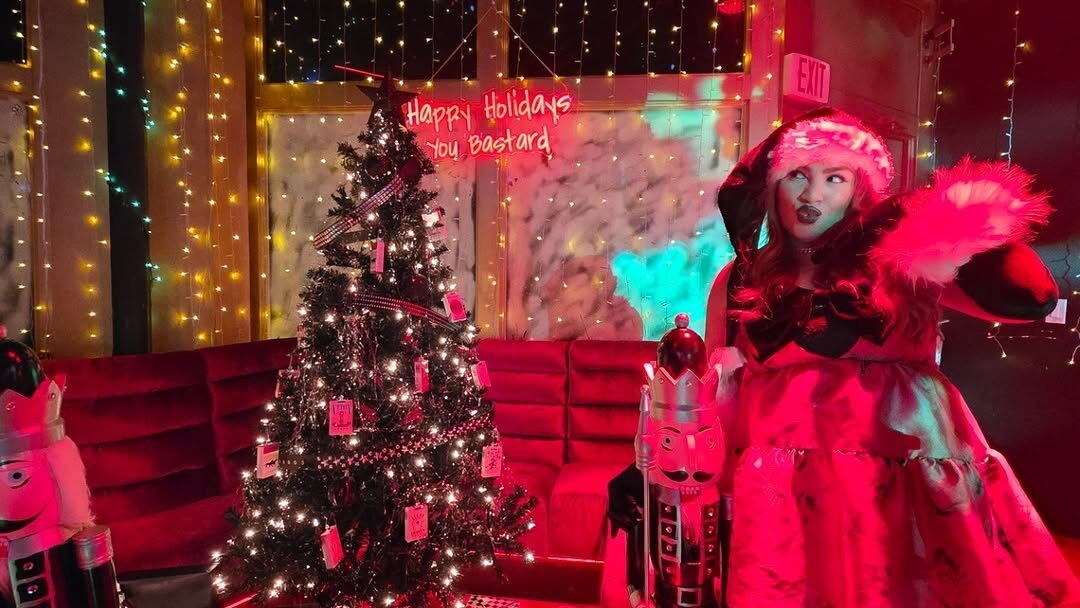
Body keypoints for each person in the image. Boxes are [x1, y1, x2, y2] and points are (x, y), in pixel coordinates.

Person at [606, 107, 1080, 607]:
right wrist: (650, 467)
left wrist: (935, 219)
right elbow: (710, 399)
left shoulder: (904, 266)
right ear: (772, 188)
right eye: (797, 176)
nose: (812, 196)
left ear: (860, 190)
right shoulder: (739, 280)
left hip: (901, 488)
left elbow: (1032, 296)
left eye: (835, 178)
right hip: (783, 507)